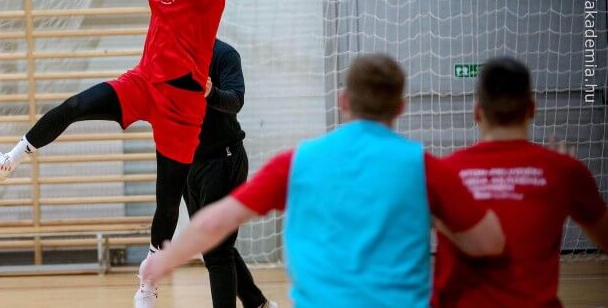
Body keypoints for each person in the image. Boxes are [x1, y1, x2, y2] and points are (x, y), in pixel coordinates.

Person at [0, 0, 226, 307]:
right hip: (143, 82)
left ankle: (149, 283)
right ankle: (10, 159)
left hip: (183, 103)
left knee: (167, 200)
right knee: (75, 105)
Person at [141, 53, 506, 308]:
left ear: (343, 101)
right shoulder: (425, 168)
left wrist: (166, 259)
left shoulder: (299, 162)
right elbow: (488, 243)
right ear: (400, 106)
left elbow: (216, 221)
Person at [431, 57, 608, 308]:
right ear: (532, 108)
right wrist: (565, 175)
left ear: (477, 111)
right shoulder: (563, 171)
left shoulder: (442, 171)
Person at [181, 38, 276, 308]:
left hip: (223, 160)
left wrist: (211, 92)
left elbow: (236, 100)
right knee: (213, 242)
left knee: (216, 250)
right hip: (189, 162)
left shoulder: (224, 54)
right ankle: (258, 304)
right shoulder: (173, 54)